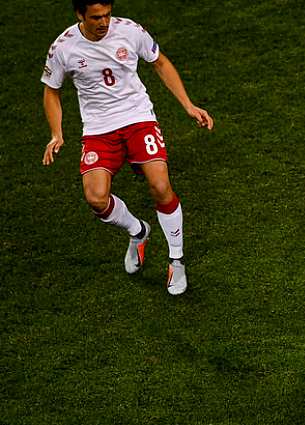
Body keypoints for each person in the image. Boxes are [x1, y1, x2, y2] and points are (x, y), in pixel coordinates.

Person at [41, 0, 214, 295]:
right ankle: (138, 231)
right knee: (96, 197)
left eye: (107, 14)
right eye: (96, 17)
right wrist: (56, 133)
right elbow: (51, 91)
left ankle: (177, 259)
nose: (103, 22)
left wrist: (187, 104)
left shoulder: (130, 31)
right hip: (98, 129)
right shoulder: (64, 47)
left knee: (160, 185)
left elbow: (159, 62)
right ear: (80, 15)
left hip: (138, 119)